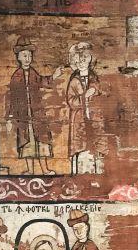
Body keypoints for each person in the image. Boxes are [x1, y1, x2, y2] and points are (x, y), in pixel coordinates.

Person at [6, 38, 63, 175]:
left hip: (37, 114)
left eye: (30, 55)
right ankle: (30, 170)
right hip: (23, 116)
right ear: (18, 57)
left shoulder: (33, 73)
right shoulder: (16, 76)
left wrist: (54, 76)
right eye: (24, 55)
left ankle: (45, 170)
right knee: (27, 143)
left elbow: (43, 81)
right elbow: (11, 97)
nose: (28, 58)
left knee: (41, 141)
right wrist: (10, 116)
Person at [66, 41, 101, 175]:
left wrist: (94, 90)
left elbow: (98, 89)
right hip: (78, 118)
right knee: (79, 147)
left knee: (93, 145)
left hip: (92, 117)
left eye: (84, 59)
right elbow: (70, 101)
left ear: (90, 59)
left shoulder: (94, 78)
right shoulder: (74, 80)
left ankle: (94, 173)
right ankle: (78, 173)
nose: (81, 62)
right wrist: (83, 97)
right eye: (78, 60)